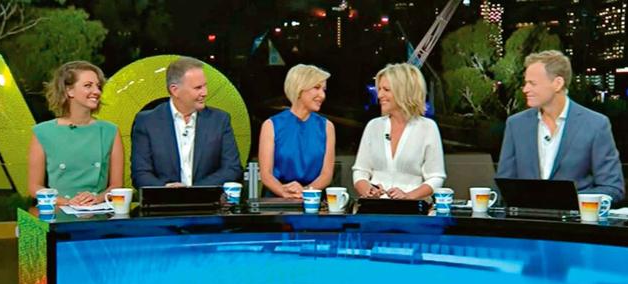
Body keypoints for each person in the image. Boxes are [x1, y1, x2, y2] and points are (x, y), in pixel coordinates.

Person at [496, 50, 625, 202]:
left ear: (557, 83)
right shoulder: (516, 124)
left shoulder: (595, 125)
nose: (525, 89)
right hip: (527, 221)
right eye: (525, 83)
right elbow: (503, 184)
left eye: (532, 83)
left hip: (573, 223)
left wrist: (568, 201)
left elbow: (613, 188)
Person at [131, 56, 242, 188]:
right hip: (165, 204)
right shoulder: (147, 122)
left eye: (205, 86)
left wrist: (193, 192)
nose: (205, 93)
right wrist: (167, 190)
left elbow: (232, 169)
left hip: (207, 204)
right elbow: (140, 174)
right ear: (175, 90)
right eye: (198, 88)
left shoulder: (219, 120)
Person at [27, 61, 123, 206]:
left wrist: (96, 198)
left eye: (98, 86)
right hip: (58, 211)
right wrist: (67, 202)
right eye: (88, 85)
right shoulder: (42, 132)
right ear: (68, 91)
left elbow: (116, 186)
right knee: (28, 228)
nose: (97, 91)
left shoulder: (110, 131)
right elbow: (34, 188)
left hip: (97, 211)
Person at [352, 63, 446, 199]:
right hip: (375, 207)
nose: (379, 95)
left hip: (412, 210)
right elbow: (360, 171)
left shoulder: (427, 128)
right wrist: (368, 190)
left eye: (386, 90)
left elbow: (436, 177)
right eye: (379, 89)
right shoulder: (374, 126)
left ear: (403, 92)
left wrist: (408, 196)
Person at [258, 64, 335, 198]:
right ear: (299, 89)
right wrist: (284, 191)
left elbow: (326, 175)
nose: (322, 95)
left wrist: (305, 192)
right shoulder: (271, 125)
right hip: (277, 200)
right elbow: (266, 174)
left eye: (324, 90)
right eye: (316, 88)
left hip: (313, 199)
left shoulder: (327, 127)